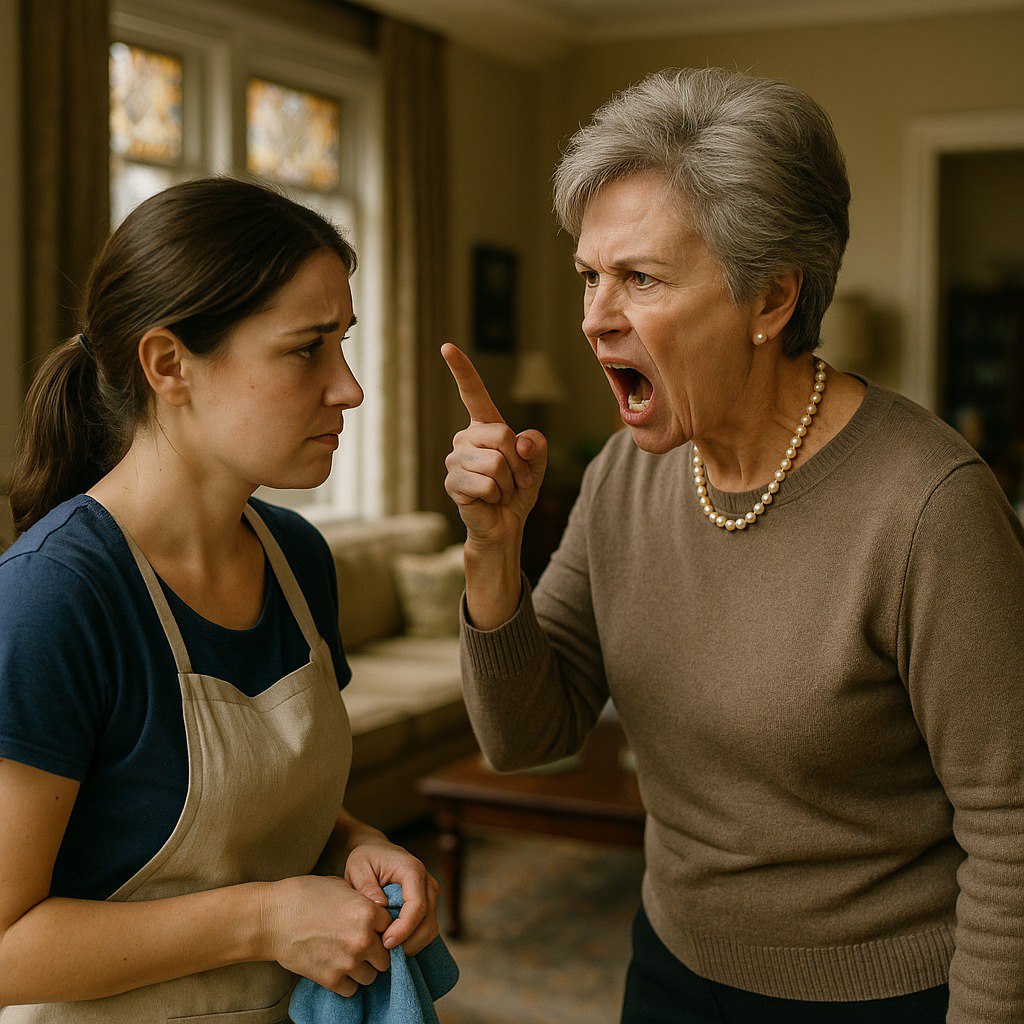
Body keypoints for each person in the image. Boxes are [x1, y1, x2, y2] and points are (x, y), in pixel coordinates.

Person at [441, 68, 1024, 1024]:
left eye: (640, 278)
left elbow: (1012, 828)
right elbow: (526, 737)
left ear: (771, 299)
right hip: (671, 968)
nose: (594, 317)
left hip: (884, 996)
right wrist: (493, 552)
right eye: (590, 275)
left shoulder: (930, 506)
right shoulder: (625, 475)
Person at [0, 177, 439, 1021]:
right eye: (307, 350)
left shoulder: (298, 559)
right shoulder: (55, 599)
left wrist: (357, 843)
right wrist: (264, 920)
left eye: (344, 344)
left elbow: (259, 811)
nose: (350, 388)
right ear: (170, 365)